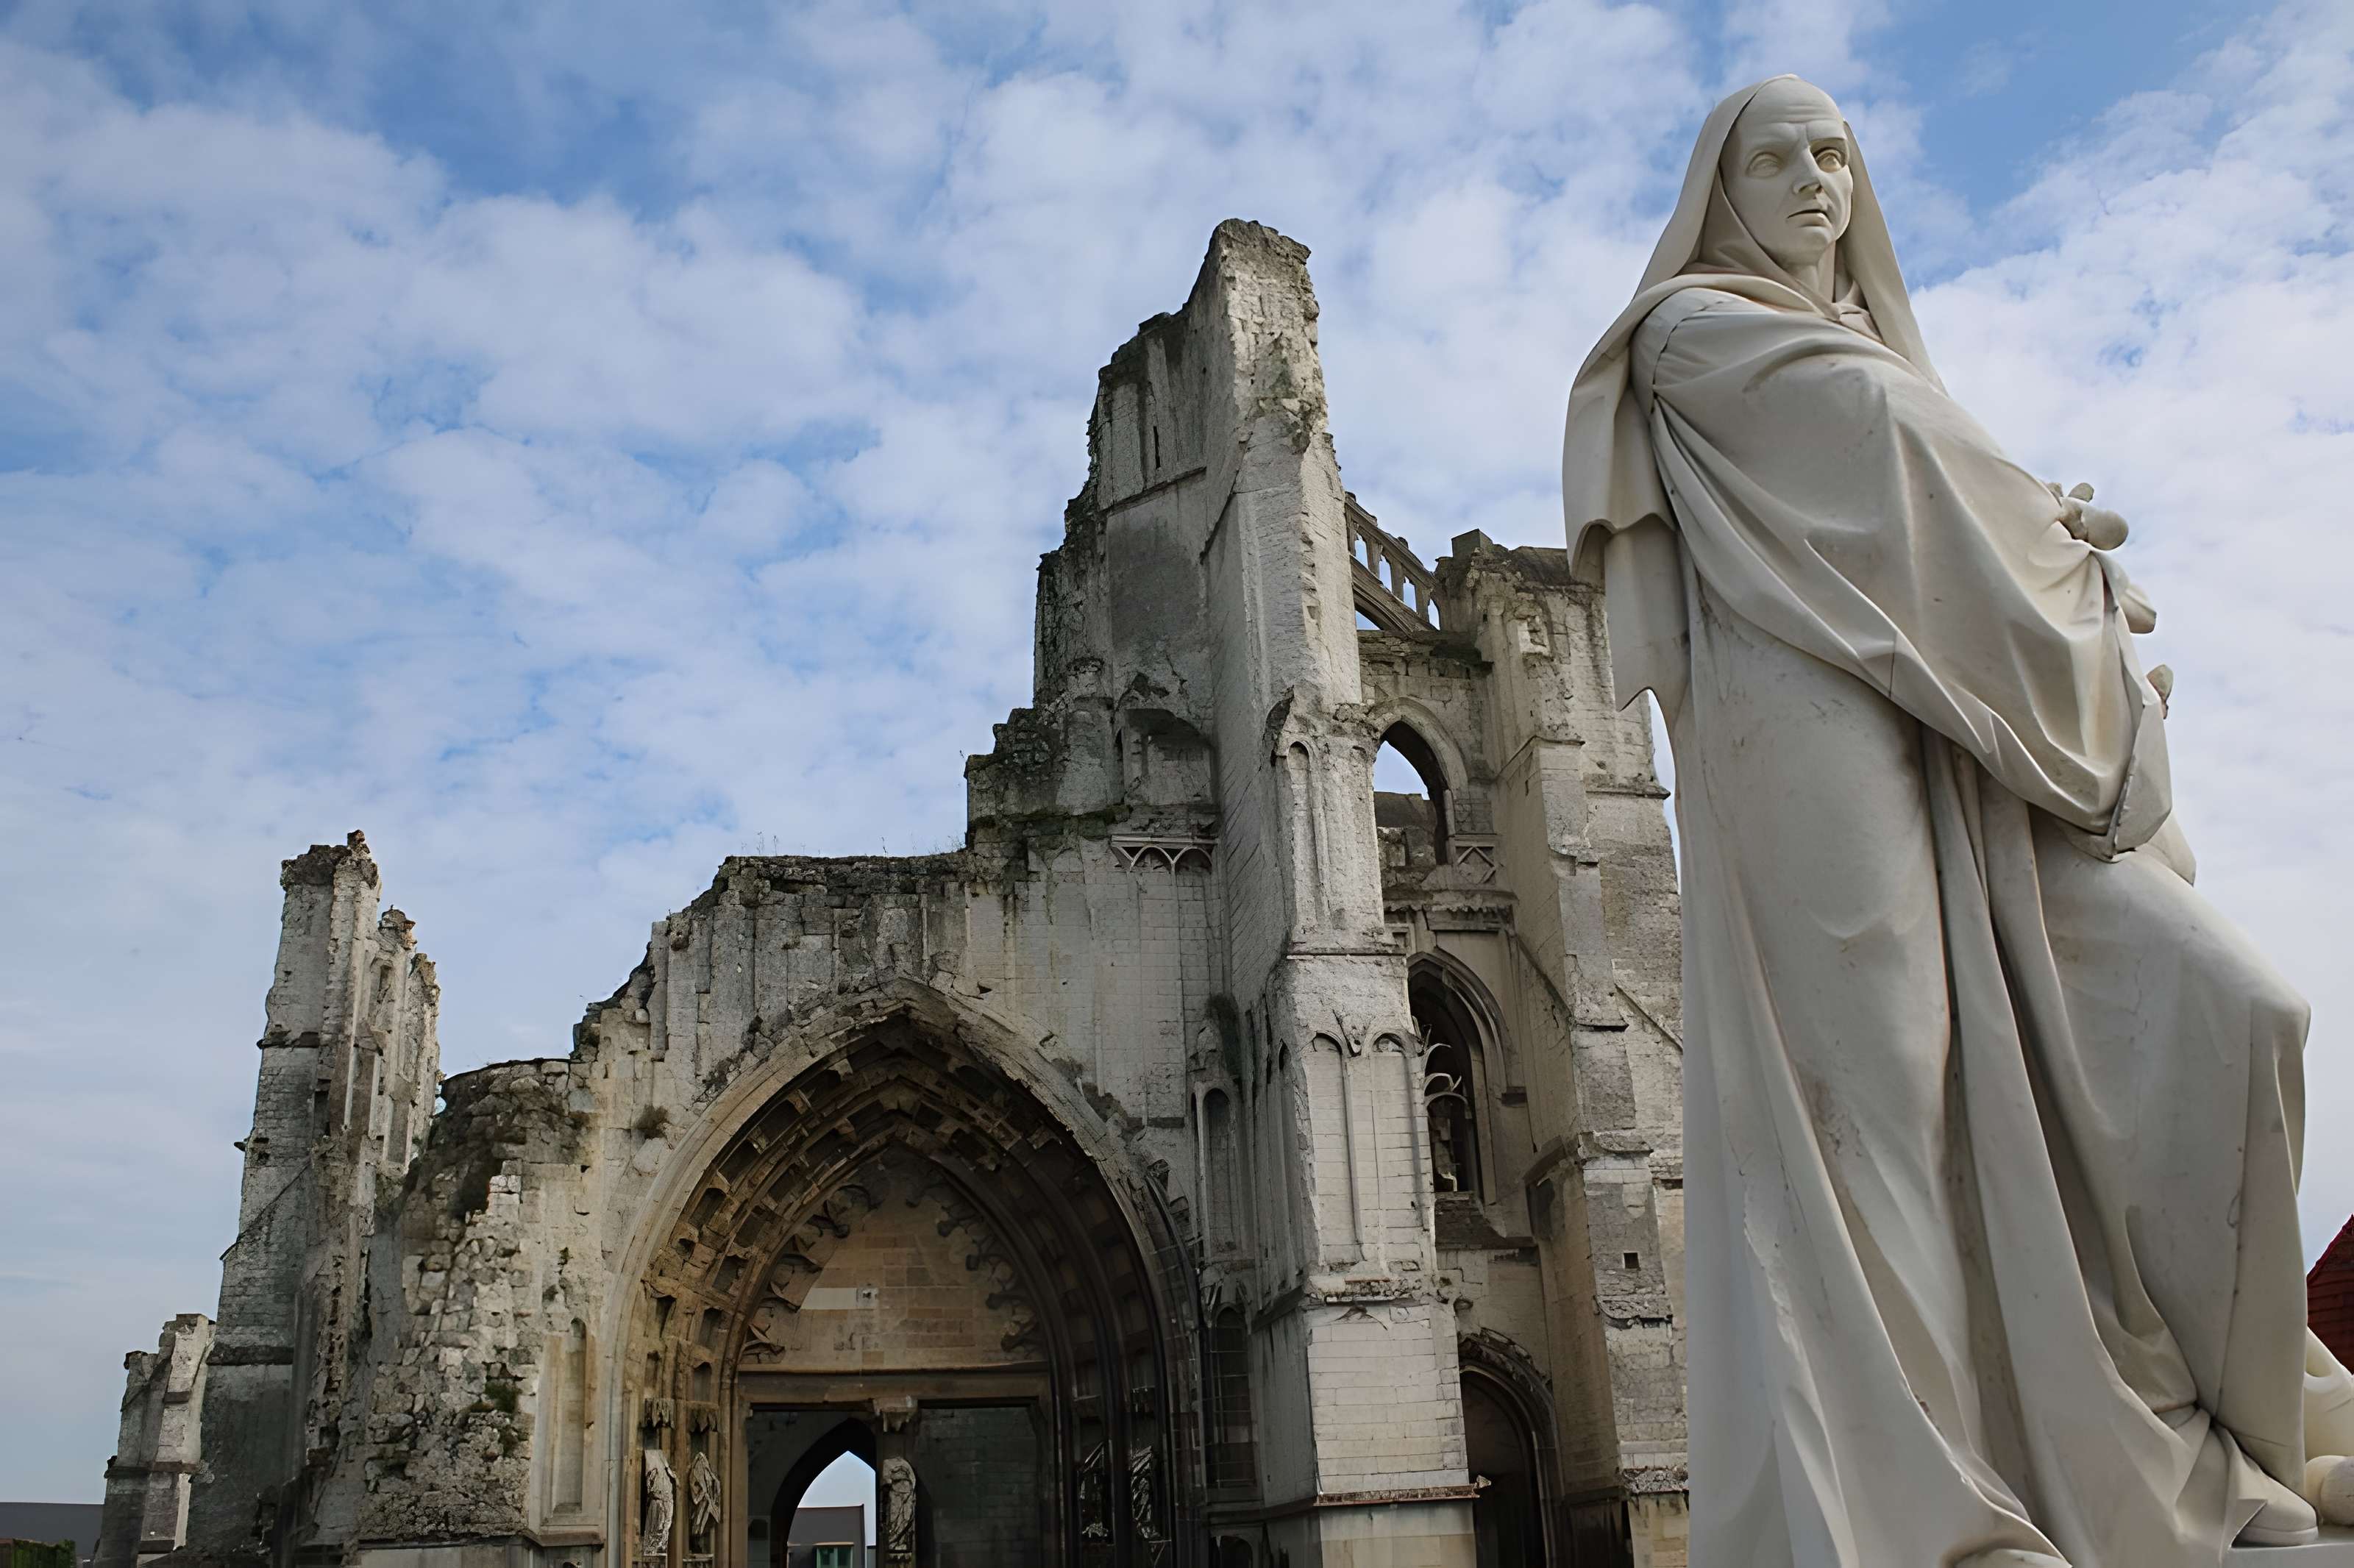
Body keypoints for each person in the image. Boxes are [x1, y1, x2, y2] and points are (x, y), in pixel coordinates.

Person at [1564, 74, 2347, 1566]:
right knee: (1877, 1091)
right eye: (1773, 157)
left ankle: (2242, 1432)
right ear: (1717, 189)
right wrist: (2059, 567)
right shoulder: (1694, 335)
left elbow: (1933, 497)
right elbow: (1894, 474)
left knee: (2231, 1006)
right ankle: (1934, 1513)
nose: (1811, 181)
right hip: (1811, 711)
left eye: (1834, 155)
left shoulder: (1862, 345)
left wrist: (2056, 576)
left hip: (1972, 740)